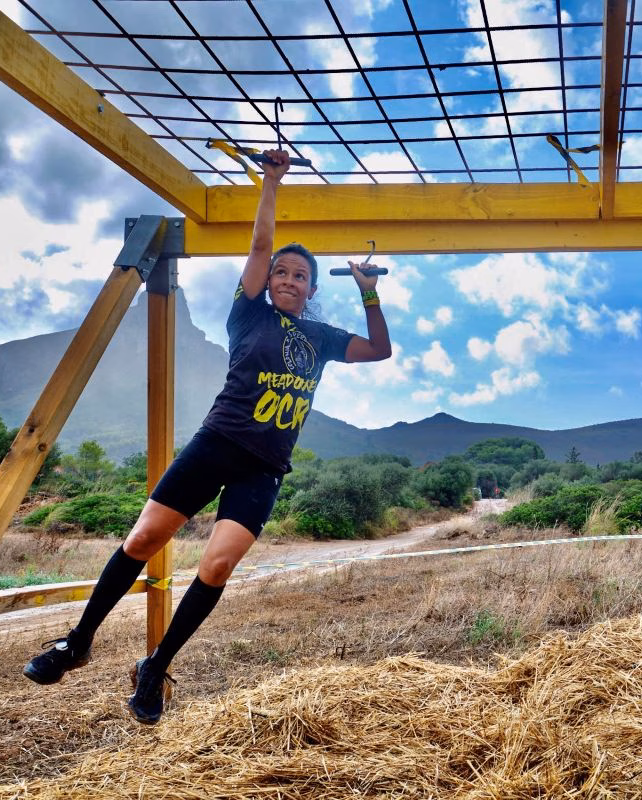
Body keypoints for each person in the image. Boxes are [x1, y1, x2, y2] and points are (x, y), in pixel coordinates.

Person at [23, 150, 392, 724]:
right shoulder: (247, 315)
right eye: (282, 273)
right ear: (267, 282)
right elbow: (261, 246)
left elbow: (379, 350)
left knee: (216, 568)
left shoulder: (320, 337)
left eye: (301, 276)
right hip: (216, 442)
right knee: (144, 538)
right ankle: (78, 642)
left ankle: (154, 667)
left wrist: (369, 290)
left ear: (312, 288)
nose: (289, 279)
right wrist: (270, 182)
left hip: (263, 468)